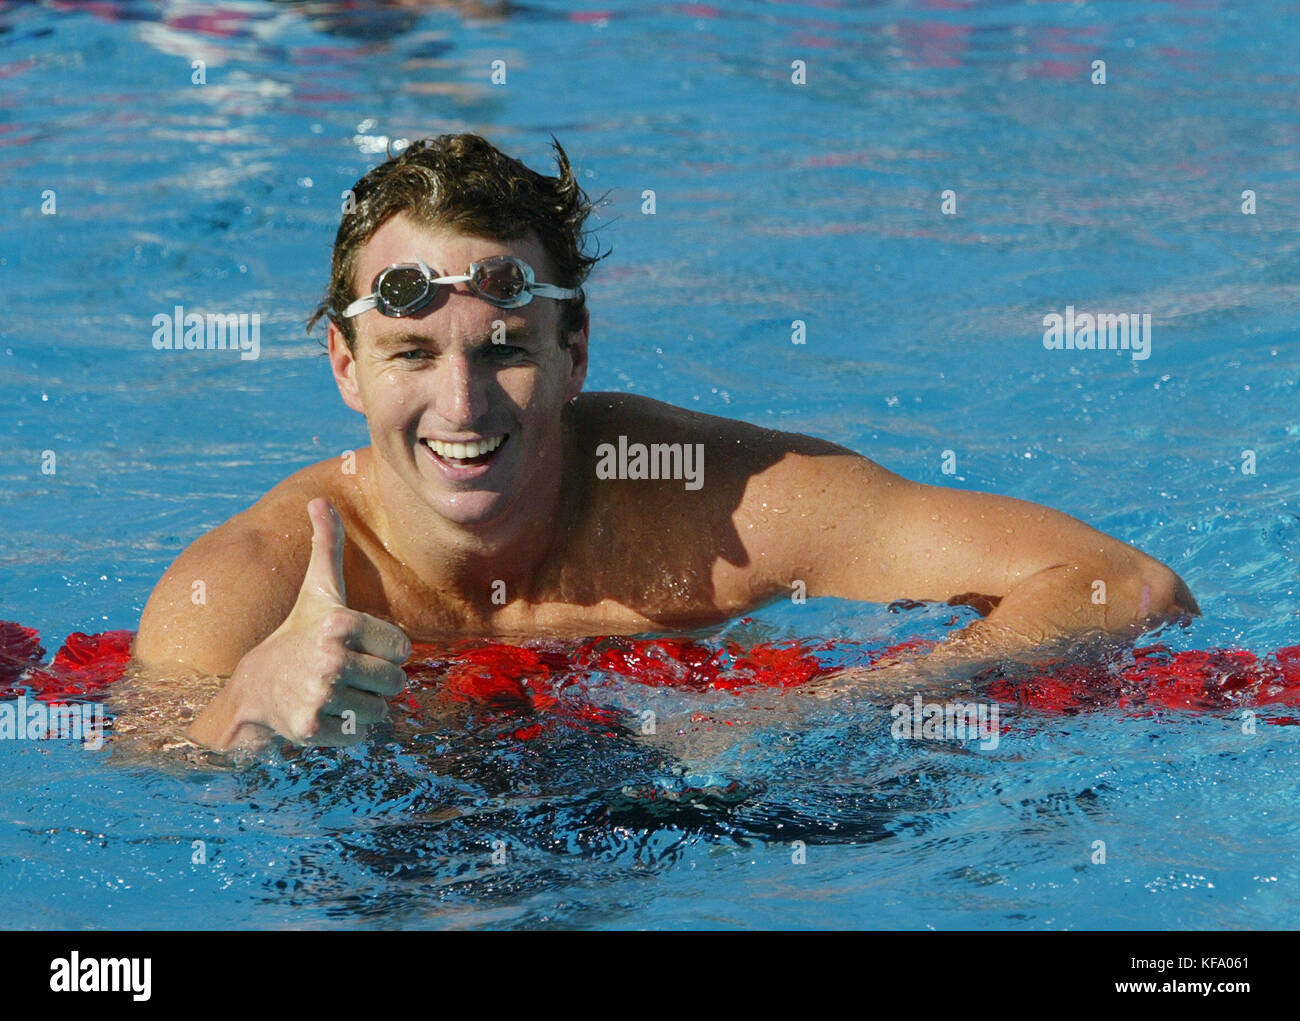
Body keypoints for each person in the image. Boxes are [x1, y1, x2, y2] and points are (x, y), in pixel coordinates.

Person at [129, 133, 1198, 753]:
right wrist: (243, 713)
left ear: (574, 351)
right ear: (345, 369)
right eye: (412, 354)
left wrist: (812, 712)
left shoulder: (713, 502)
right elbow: (139, 762)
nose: (462, 404)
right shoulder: (247, 586)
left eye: (502, 348)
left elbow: (1121, 583)